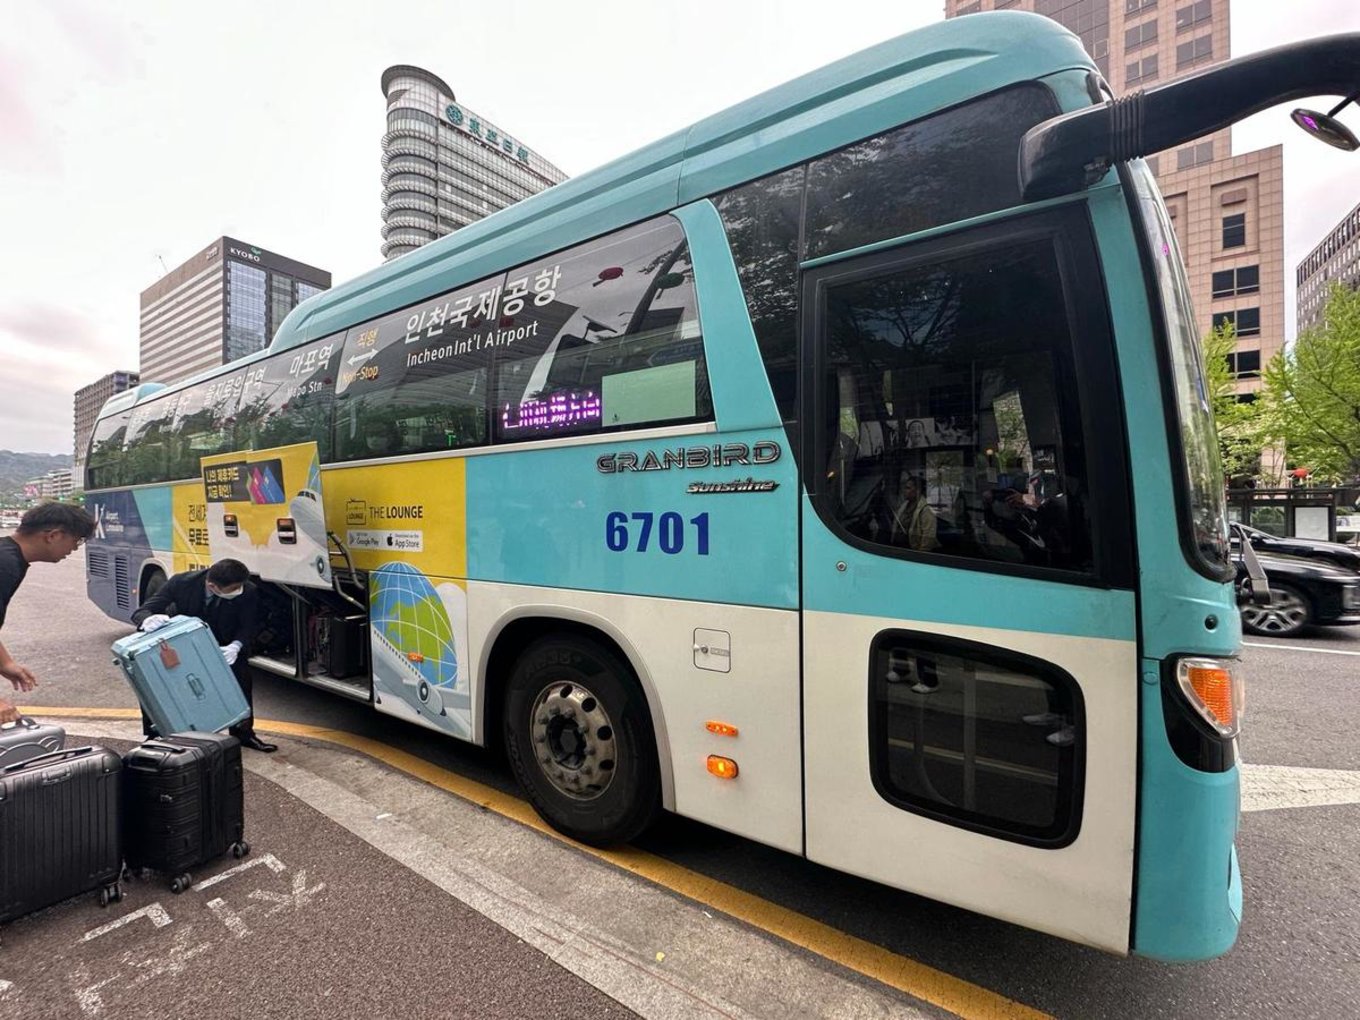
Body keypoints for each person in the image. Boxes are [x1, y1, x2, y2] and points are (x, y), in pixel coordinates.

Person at [130, 558, 277, 752]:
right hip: (185, 643)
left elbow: (249, 624)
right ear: (212, 586)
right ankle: (154, 735)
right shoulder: (181, 583)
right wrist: (147, 620)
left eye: (240, 586)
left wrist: (236, 645)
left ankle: (244, 733)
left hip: (224, 643)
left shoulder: (247, 590)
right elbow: (142, 611)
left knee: (241, 679)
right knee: (157, 682)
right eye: (233, 588)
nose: (238, 590)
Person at [0, 503, 97, 723]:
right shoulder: (5, 564)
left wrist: (5, 663)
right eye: (77, 540)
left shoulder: (8, 555)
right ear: (54, 535)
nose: (75, 548)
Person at [889, 474, 940, 552]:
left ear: (918, 490)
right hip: (898, 549)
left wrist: (920, 554)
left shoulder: (926, 509)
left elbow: (928, 536)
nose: (904, 491)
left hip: (913, 551)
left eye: (908, 488)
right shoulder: (905, 505)